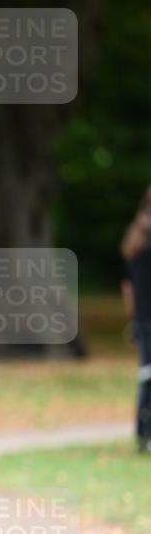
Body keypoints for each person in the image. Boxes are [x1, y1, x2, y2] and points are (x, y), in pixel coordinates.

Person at [121, 186, 151, 453]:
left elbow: (127, 287)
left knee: (146, 376)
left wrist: (134, 319)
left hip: (142, 319)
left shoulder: (136, 237)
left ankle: (143, 433)